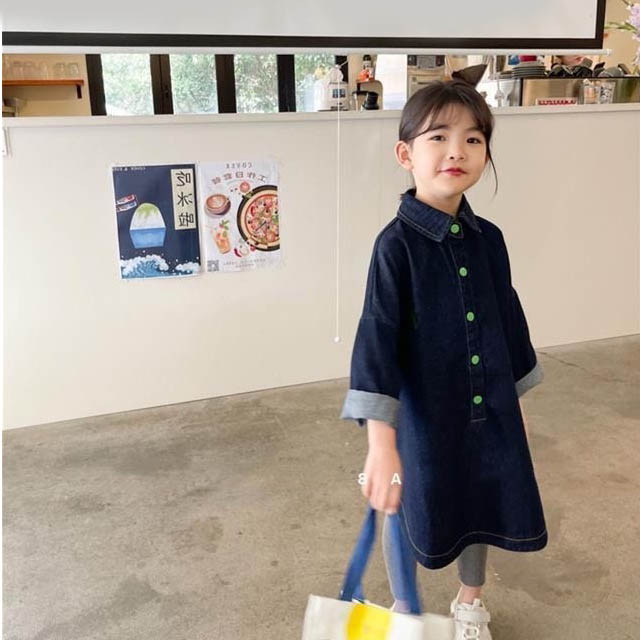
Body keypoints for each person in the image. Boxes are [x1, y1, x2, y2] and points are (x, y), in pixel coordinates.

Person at [339, 79, 547, 640]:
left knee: (479, 500)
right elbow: (377, 340)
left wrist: (516, 406)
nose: (457, 151)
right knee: (403, 507)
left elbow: (507, 321)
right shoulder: (395, 247)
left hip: (487, 410)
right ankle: (405, 610)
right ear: (406, 154)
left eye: (473, 139)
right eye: (438, 137)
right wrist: (381, 445)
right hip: (422, 418)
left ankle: (470, 602)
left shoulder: (490, 240)